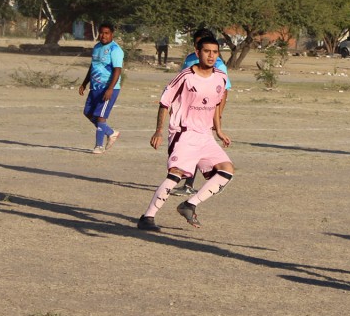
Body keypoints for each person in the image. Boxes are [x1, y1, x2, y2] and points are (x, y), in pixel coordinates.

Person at [137, 35, 234, 231]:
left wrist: (219, 130)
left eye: (215, 52)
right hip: (184, 134)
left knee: (226, 170)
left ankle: (189, 205)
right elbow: (165, 102)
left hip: (205, 135)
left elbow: (216, 105)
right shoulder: (185, 76)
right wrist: (158, 131)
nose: (211, 56)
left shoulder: (220, 77)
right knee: (176, 174)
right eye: (207, 51)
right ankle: (147, 218)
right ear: (197, 53)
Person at [169, 28, 233, 197]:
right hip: (186, 115)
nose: (198, 47)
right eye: (196, 43)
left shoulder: (218, 65)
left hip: (204, 115)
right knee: (189, 149)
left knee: (200, 150)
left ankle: (204, 181)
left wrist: (218, 116)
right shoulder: (190, 59)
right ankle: (192, 182)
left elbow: (223, 92)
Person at [78, 22, 123, 154]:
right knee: (88, 112)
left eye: (106, 33)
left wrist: (110, 89)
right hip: (95, 87)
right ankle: (110, 132)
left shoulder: (115, 49)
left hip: (108, 88)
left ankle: (99, 146)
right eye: (101, 33)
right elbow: (93, 66)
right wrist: (85, 83)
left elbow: (117, 70)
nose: (103, 36)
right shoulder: (97, 47)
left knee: (101, 117)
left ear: (112, 34)